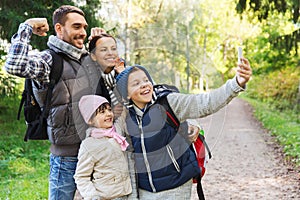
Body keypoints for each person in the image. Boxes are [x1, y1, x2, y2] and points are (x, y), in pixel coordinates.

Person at [4, 5, 106, 199]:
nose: (83, 32)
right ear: (59, 29)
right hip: (67, 159)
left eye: (84, 27)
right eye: (76, 27)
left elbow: (115, 86)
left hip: (95, 153)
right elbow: (15, 65)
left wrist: (101, 45)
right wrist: (27, 26)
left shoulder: (87, 59)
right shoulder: (48, 60)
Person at [114, 59, 252, 199]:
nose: (144, 85)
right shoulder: (127, 118)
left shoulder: (169, 102)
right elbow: (130, 161)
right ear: (126, 94)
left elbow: (205, 103)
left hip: (176, 186)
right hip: (145, 191)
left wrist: (236, 83)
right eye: (136, 84)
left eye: (145, 80)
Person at [74, 95, 132, 200]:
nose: (108, 114)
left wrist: (125, 97)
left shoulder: (117, 130)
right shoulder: (89, 145)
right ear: (90, 120)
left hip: (127, 194)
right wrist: (93, 197)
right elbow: (81, 176)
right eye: (102, 112)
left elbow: (123, 113)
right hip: (106, 196)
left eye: (109, 110)